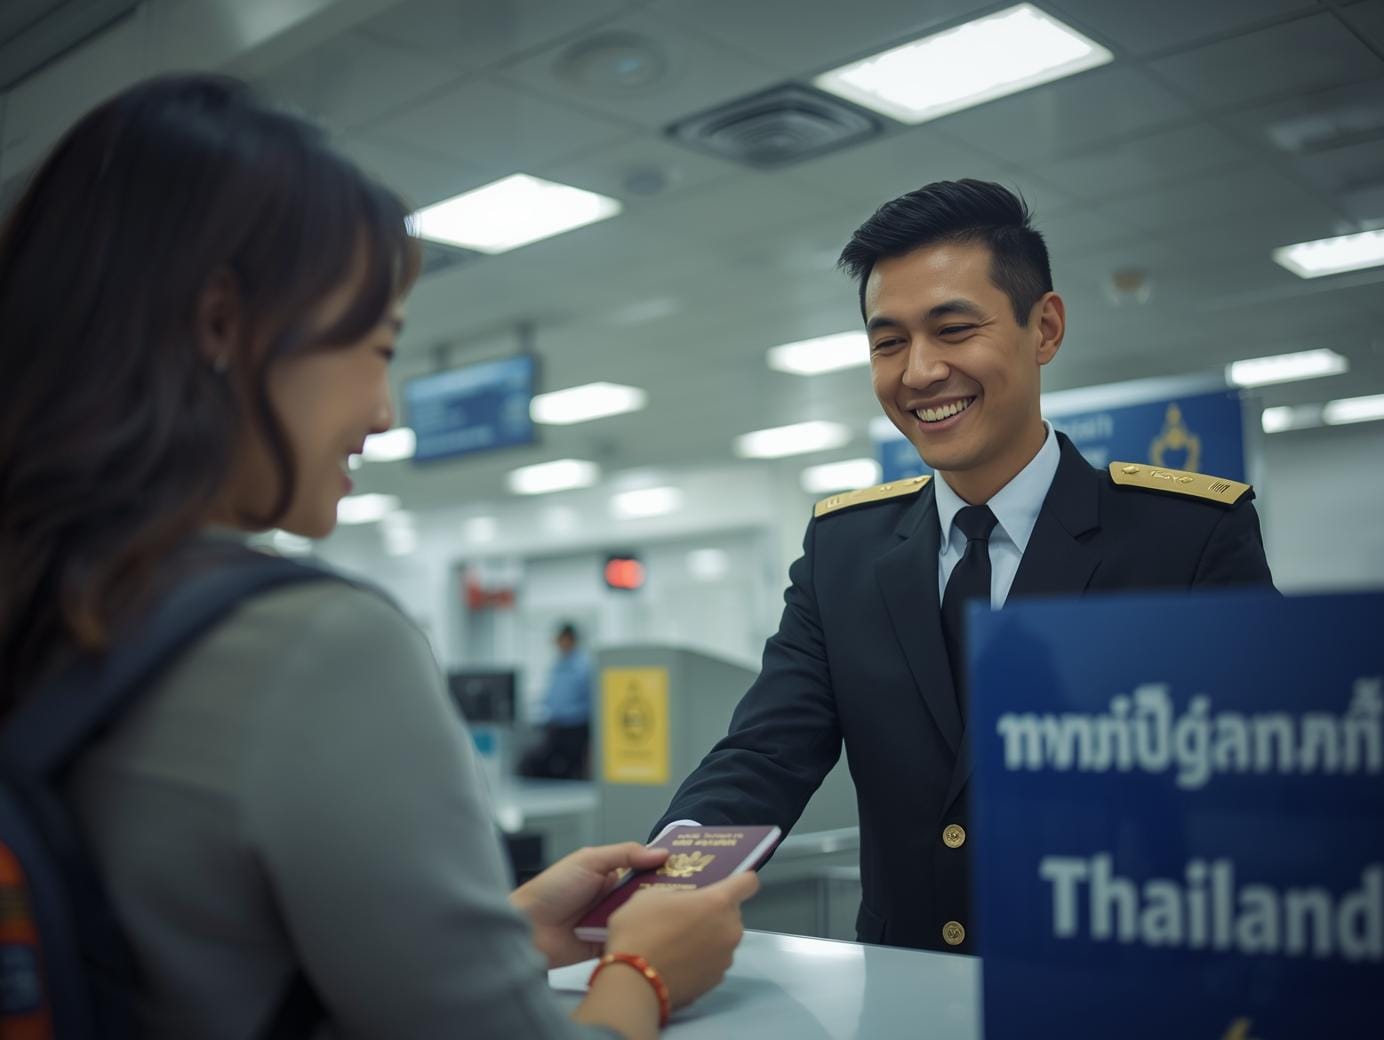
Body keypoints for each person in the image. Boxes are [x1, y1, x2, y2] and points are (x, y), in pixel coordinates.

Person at [0, 74, 757, 1040]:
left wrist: (498, 936)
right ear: (223, 322)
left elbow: (187, 955)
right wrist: (647, 969)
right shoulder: (314, 645)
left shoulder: (47, 602)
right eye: (378, 347)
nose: (385, 412)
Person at [652, 179, 1275, 955]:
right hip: (900, 985)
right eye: (888, 343)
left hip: (1110, 982)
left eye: (953, 329)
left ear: (1044, 328)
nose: (918, 372)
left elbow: (1259, 790)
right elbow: (765, 753)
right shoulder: (844, 552)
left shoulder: (1184, 542)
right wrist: (666, 881)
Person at [521, 623, 595, 780]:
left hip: (576, 726)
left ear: (571, 640)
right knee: (536, 763)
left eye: (562, 640)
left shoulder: (583, 666)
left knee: (573, 770)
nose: (559, 644)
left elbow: (591, 697)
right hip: (556, 725)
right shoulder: (557, 665)